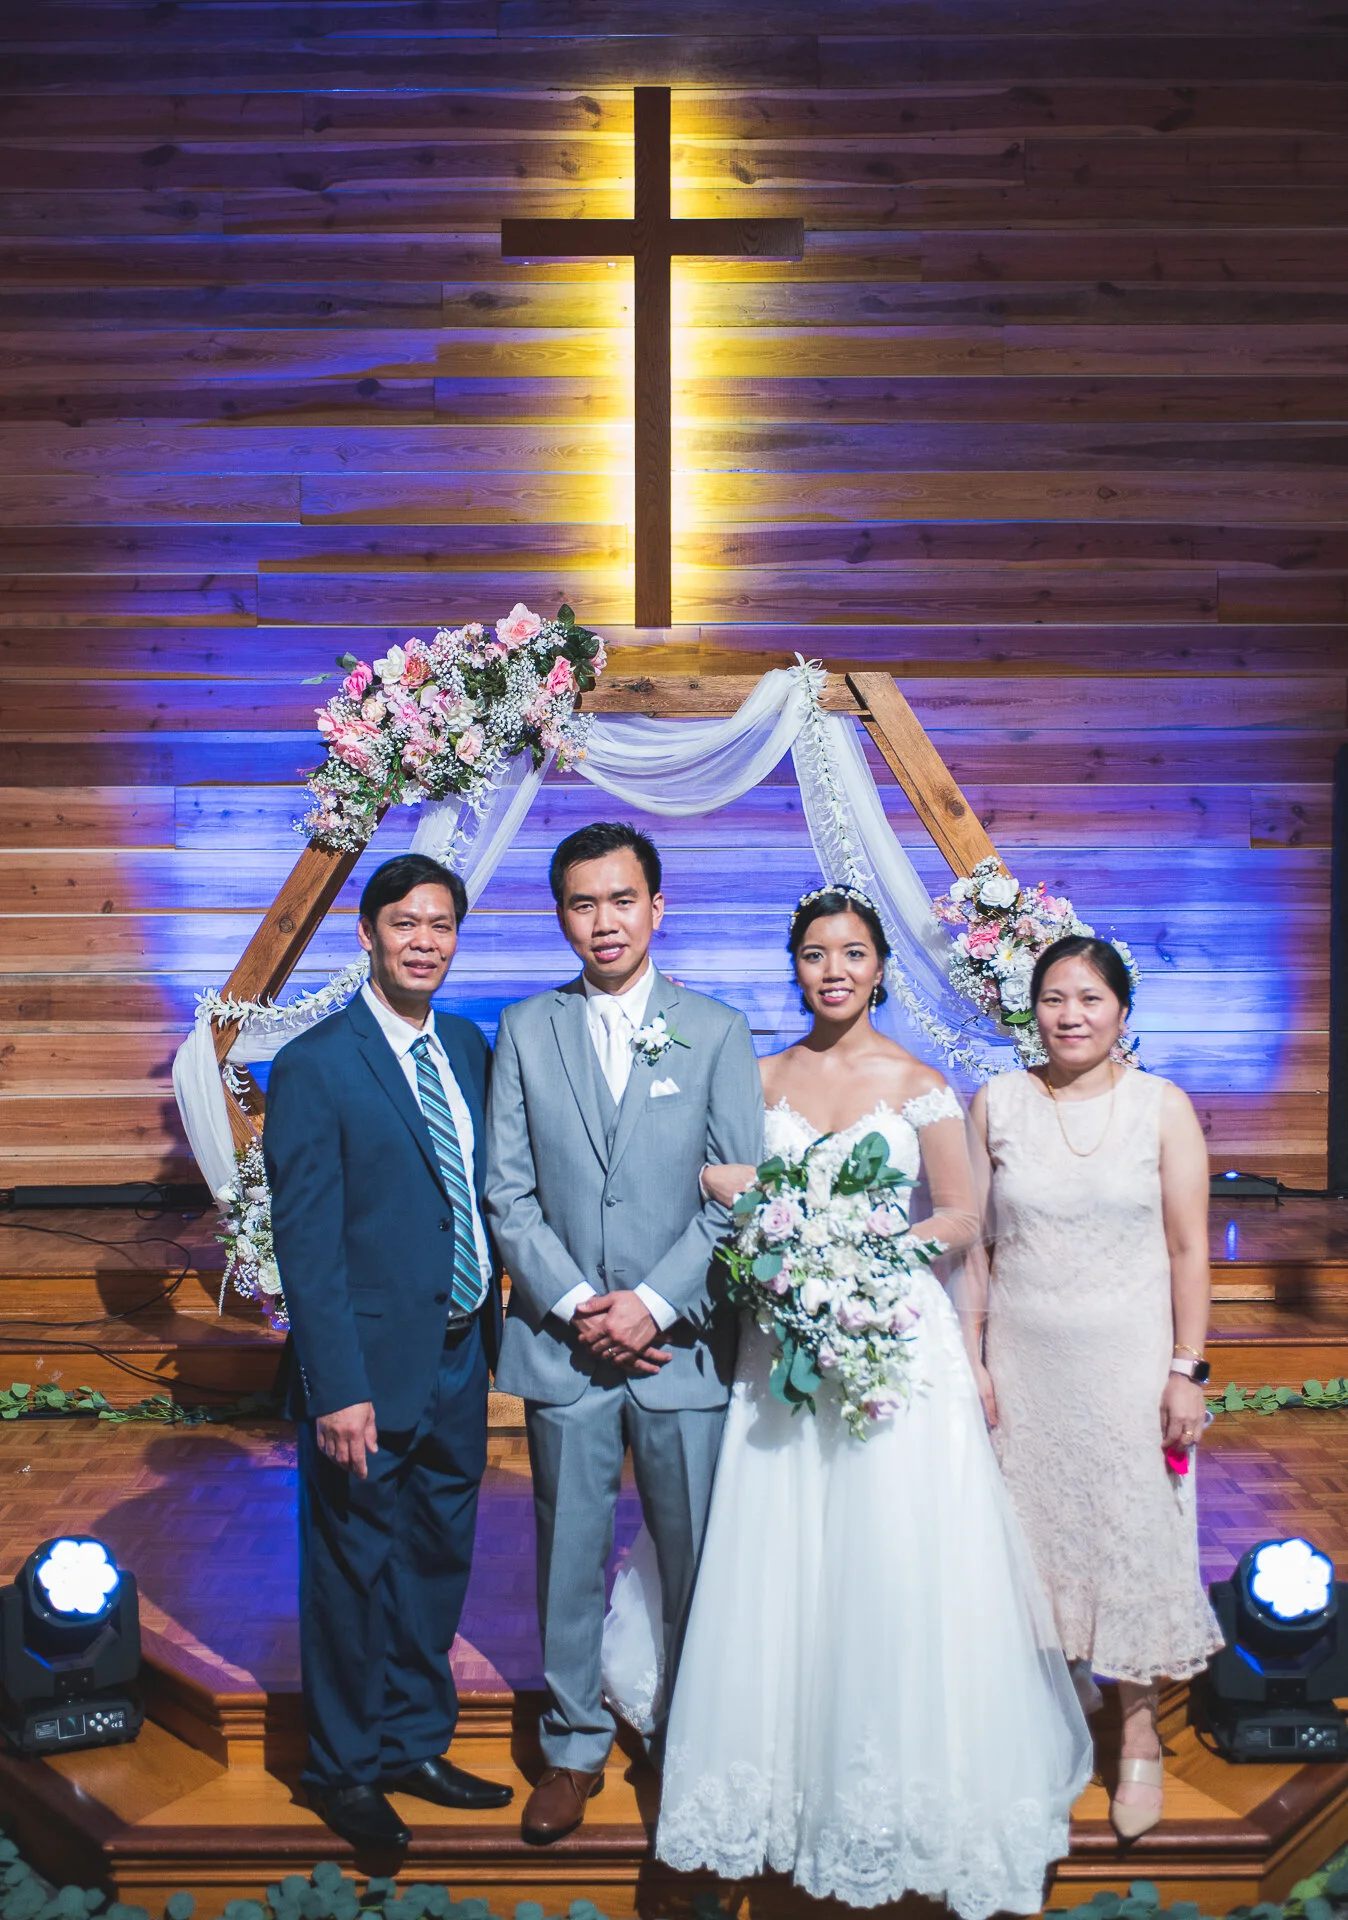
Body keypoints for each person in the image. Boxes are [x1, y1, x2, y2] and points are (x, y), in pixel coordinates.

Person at [649, 887, 1092, 1919]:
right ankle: (773, 1776)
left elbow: (962, 1215)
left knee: (891, 1547)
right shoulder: (755, 1079)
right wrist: (769, 1219)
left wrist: (866, 1248)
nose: (833, 971)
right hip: (783, 1345)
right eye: (815, 954)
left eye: (852, 953)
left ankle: (897, 1777)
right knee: (780, 1548)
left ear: (881, 967)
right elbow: (712, 1178)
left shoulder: (921, 1084)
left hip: (891, 1333)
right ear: (795, 967)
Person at [484, 820, 764, 1847]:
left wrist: (652, 1301)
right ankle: (571, 1745)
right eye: (581, 903)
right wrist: (575, 1305)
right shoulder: (525, 1028)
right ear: (561, 915)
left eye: (621, 899)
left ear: (656, 907)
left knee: (694, 1556)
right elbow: (506, 1192)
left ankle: (690, 1733)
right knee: (567, 1550)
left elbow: (740, 1196)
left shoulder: (717, 1031)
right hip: (565, 1346)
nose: (603, 921)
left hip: (681, 1344)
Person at [263, 853, 512, 1850]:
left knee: (434, 1561)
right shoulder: (316, 1063)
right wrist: (335, 1386)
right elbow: (306, 1242)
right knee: (351, 1570)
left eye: (441, 925)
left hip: (458, 1352)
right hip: (364, 1372)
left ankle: (412, 1742)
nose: (424, 941)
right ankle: (342, 1769)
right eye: (405, 923)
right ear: (366, 934)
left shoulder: (468, 1045)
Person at [969, 933, 1222, 1843]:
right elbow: (974, 1245)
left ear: (1122, 1011)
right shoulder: (997, 1101)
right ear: (1030, 1009)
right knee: (1032, 1536)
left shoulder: (1162, 1107)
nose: (1070, 1016)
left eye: (1090, 1000)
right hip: (1025, 1366)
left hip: (1130, 1367)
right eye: (1053, 999)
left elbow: (1189, 1249)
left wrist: (1185, 1369)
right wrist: (973, 1358)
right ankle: (1054, 1701)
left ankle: (1140, 1732)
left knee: (1132, 1532)